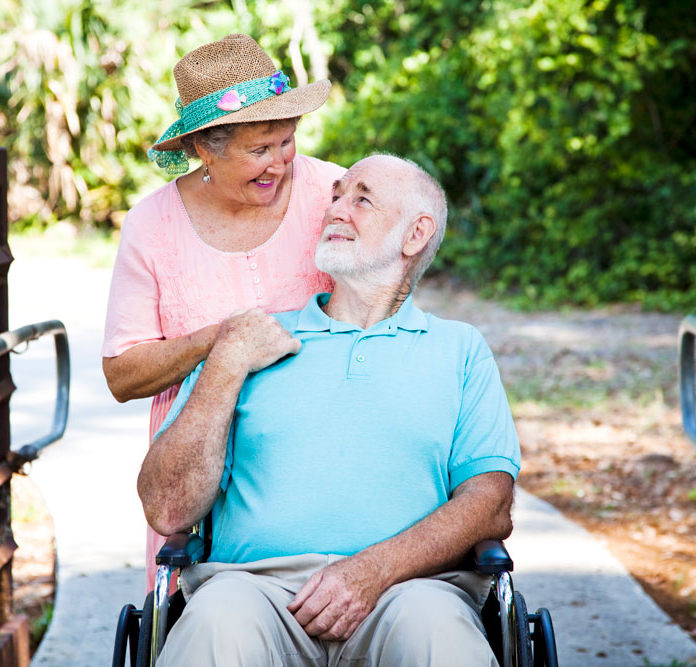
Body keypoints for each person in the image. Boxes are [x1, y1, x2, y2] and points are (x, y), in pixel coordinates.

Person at [139, 155, 521, 666]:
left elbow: (491, 502)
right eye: (336, 196)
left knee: (438, 632)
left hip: (409, 591)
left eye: (361, 198)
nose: (336, 209)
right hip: (255, 592)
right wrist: (226, 363)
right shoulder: (253, 338)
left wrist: (372, 572)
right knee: (216, 618)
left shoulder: (459, 349)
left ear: (415, 235)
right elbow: (167, 509)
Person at [101, 33, 345, 589]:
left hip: (324, 458)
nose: (279, 164)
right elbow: (122, 374)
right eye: (259, 150)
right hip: (196, 480)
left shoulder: (334, 190)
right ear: (205, 148)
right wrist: (222, 340)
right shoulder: (152, 225)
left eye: (286, 142)